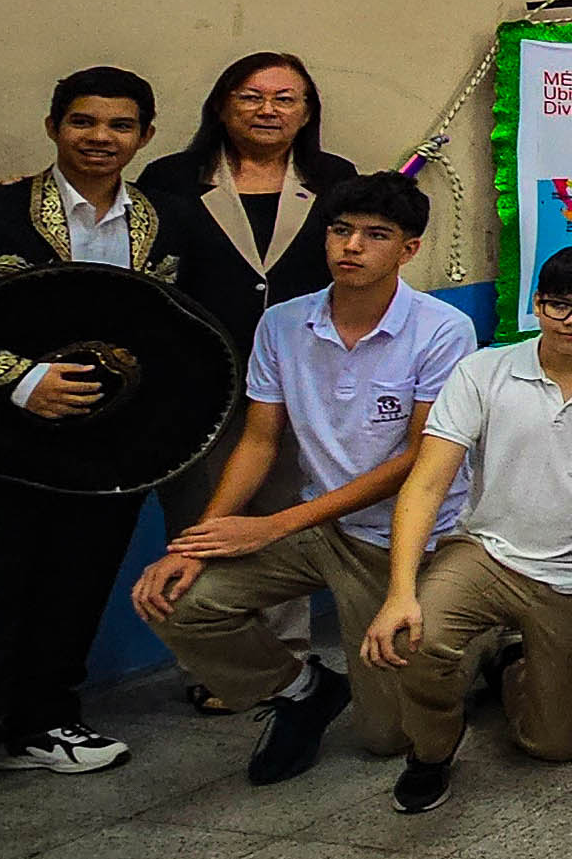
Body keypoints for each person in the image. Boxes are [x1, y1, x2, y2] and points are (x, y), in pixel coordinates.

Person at [0, 65, 193, 835]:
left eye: (120, 126)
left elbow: (187, 333)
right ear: (54, 125)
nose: (101, 138)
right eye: (84, 122)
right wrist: (17, 381)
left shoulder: (172, 220)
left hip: (107, 455)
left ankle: (40, 724)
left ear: (146, 136)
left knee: (75, 585)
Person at [134, 173, 476, 791]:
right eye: (341, 230)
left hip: (402, 539)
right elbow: (260, 439)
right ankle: (304, 688)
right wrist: (197, 540)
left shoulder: (442, 328)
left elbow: (419, 460)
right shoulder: (284, 324)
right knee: (174, 600)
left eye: (376, 235)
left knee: (385, 739)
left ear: (409, 249)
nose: (352, 246)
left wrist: (276, 522)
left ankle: (476, 647)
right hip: (321, 525)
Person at [355, 241, 572, 815]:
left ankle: (511, 665)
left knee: (556, 745)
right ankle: (431, 753)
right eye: (558, 304)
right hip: (485, 553)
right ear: (536, 304)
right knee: (414, 636)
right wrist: (399, 592)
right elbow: (425, 483)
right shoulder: (485, 370)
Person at [138, 53, 358, 544]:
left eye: (285, 99)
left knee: (283, 529)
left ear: (306, 113)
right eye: (251, 97)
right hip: (199, 384)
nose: (268, 110)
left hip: (300, 380)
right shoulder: (171, 178)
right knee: (203, 524)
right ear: (221, 106)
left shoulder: (334, 178)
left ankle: (288, 627)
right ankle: (206, 621)